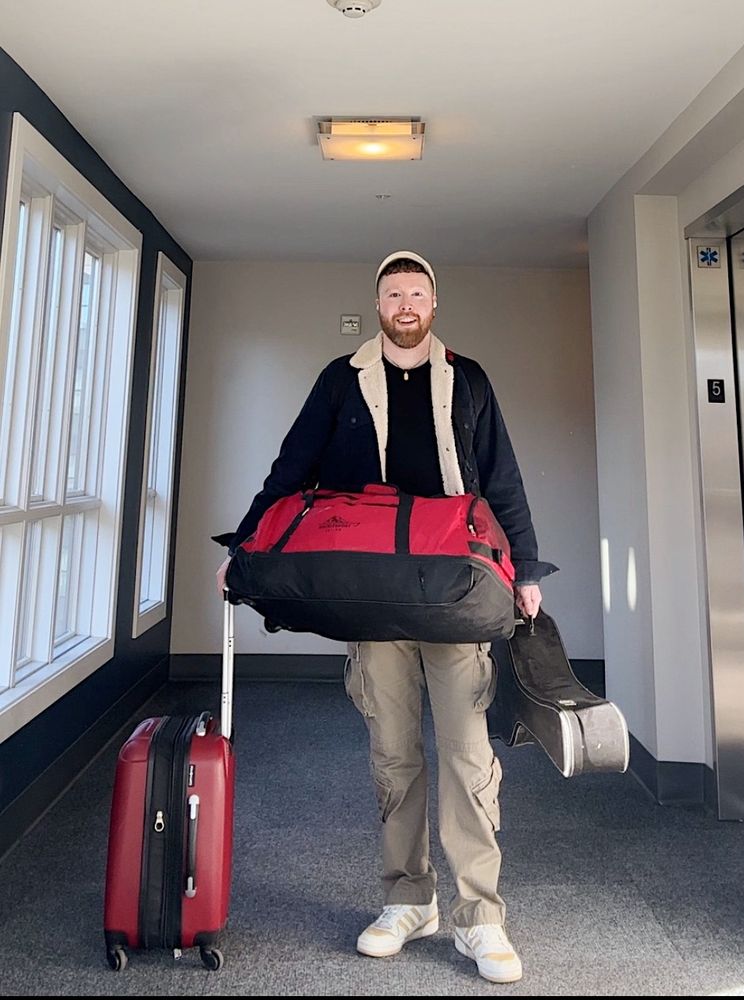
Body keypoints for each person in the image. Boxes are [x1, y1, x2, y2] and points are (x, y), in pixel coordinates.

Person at [215, 250, 556, 984]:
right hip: (369, 593)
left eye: (417, 293)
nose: (405, 304)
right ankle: (407, 900)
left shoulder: (469, 378)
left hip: (455, 591)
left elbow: (502, 476)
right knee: (394, 755)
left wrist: (525, 569)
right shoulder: (340, 380)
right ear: (379, 304)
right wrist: (245, 546)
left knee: (469, 757)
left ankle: (480, 917)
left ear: (435, 304)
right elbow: (290, 470)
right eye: (393, 293)